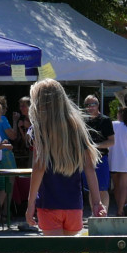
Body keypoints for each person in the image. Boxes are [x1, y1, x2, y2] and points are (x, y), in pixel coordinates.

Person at [25, 78, 106, 235]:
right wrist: (97, 202)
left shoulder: (40, 130)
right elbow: (89, 168)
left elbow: (39, 167)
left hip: (49, 202)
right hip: (74, 204)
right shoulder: (77, 128)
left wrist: (30, 204)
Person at [82, 94, 113, 216]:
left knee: (103, 188)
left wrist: (95, 146)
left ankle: (103, 213)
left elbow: (111, 141)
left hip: (100, 158)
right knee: (91, 189)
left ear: (98, 105)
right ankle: (95, 213)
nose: (90, 107)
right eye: (87, 105)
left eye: (92, 104)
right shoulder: (83, 121)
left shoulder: (105, 120)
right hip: (86, 158)